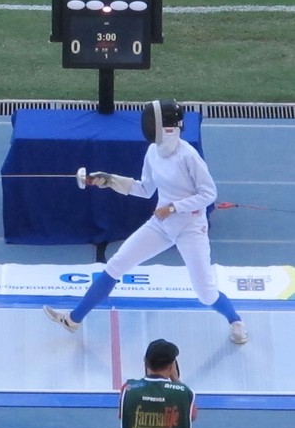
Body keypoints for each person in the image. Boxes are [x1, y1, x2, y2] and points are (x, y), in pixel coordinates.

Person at [44, 99, 247, 344]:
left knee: (205, 293)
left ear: (167, 126)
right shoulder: (153, 152)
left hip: (191, 228)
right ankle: (74, 319)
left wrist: (173, 207)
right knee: (116, 265)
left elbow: (208, 194)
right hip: (161, 224)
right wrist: (109, 180)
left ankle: (235, 320)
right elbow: (145, 188)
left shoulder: (188, 156)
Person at [119, 339, 197, 428]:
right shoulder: (184, 393)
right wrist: (175, 379)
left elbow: (123, 416)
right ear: (171, 366)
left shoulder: (128, 389)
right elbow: (191, 416)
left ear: (145, 362)